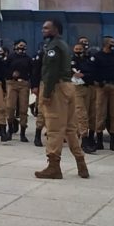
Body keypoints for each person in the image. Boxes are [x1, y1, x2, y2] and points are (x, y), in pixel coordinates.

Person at [35, 19, 89, 180]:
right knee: (70, 129)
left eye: (46, 28)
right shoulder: (63, 45)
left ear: (56, 30)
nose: (43, 30)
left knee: (54, 128)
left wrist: (46, 94)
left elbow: (51, 72)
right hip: (68, 87)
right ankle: (81, 163)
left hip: (56, 88)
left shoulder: (53, 47)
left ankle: (54, 166)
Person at [93, 36, 114, 150]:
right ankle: (99, 140)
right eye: (112, 42)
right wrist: (98, 81)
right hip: (102, 87)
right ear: (105, 44)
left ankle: (113, 142)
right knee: (100, 113)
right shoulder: (97, 56)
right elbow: (93, 70)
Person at [4, 40, 33, 142]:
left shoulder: (28, 59)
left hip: (24, 84)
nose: (22, 48)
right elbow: (4, 69)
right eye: (20, 46)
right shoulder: (11, 57)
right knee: (10, 107)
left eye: (24, 46)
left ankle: (23, 133)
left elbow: (32, 72)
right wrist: (11, 74)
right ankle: (10, 129)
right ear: (15, 46)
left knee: (23, 109)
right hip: (12, 83)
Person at [70, 42, 97, 154]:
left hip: (90, 88)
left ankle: (91, 137)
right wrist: (85, 74)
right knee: (81, 114)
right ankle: (84, 140)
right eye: (76, 48)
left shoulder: (89, 59)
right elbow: (74, 72)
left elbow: (93, 72)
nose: (78, 50)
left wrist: (84, 74)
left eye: (80, 48)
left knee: (92, 113)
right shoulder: (72, 60)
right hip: (78, 88)